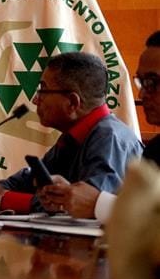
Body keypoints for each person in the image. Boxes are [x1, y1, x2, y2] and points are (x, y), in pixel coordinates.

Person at [0, 51, 143, 213]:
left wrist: (3, 198)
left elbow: (86, 205)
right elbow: (31, 182)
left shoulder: (110, 138)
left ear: (72, 103)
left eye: (43, 90)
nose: (35, 100)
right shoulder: (73, 136)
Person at [41, 31, 160, 221]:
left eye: (152, 82)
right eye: (141, 82)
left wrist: (99, 204)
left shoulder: (110, 137)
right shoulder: (156, 150)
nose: (142, 94)